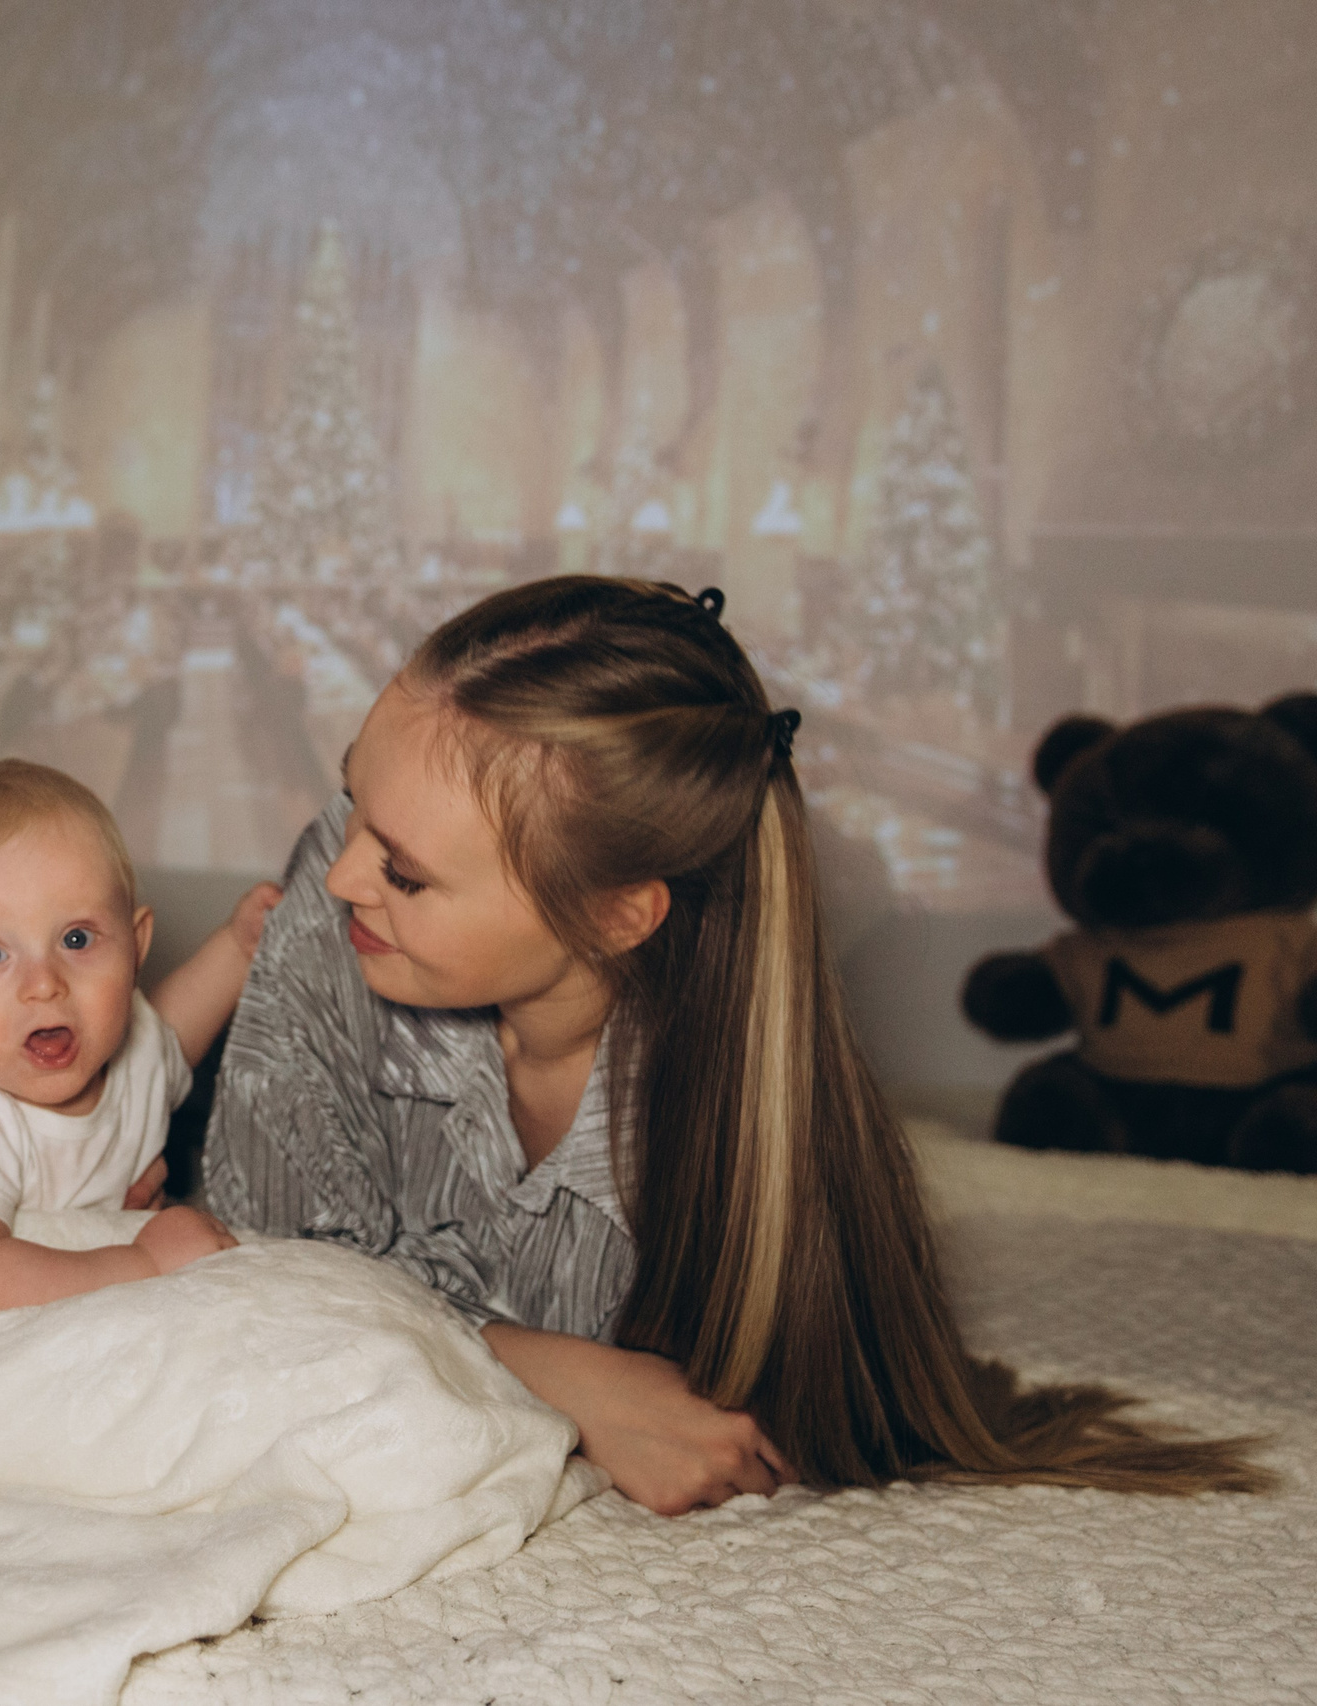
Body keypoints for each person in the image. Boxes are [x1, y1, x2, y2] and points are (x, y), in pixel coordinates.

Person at [204, 576, 1270, 1516]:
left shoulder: (728, 1127)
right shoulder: (330, 901)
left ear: (619, 914)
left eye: (407, 872)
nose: (340, 872)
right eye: (354, 799)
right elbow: (246, 1267)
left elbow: (767, 1406)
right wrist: (559, 1371)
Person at [0, 759, 280, 1310]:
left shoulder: (129, 1043)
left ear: (135, 946)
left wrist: (239, 950)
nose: (44, 984)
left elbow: (167, 1040)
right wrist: (145, 1262)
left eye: (75, 939)